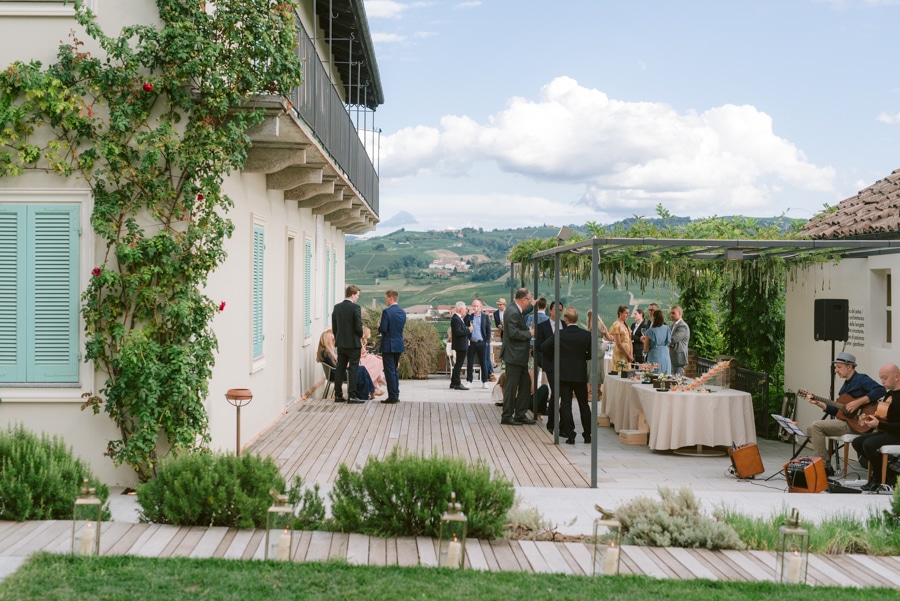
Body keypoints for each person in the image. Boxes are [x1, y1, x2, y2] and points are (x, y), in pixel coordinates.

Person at [805, 352, 886, 477]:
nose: (836, 370)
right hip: (847, 421)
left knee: (816, 426)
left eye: (839, 367)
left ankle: (823, 466)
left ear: (849, 367)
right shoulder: (844, 388)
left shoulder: (861, 379)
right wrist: (818, 403)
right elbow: (837, 411)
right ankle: (825, 460)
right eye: (835, 367)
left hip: (859, 423)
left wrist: (859, 402)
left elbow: (880, 390)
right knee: (810, 429)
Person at [540, 307, 592, 445]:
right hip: (580, 374)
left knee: (566, 405)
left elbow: (544, 346)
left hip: (564, 374)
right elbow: (591, 354)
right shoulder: (586, 335)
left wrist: (556, 355)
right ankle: (587, 434)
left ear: (566, 319)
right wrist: (582, 357)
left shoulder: (560, 334)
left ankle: (570, 434)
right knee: (584, 405)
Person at [852, 363, 900, 490]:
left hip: (898, 434)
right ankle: (889, 474)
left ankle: (878, 478)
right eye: (881, 378)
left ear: (896, 377)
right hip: (889, 432)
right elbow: (885, 416)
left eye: (885, 378)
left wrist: (879, 424)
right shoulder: (889, 394)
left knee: (869, 444)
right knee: (857, 442)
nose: (882, 381)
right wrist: (872, 418)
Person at [500, 288, 536, 425]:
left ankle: (520, 414)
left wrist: (532, 305)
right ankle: (507, 415)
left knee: (525, 384)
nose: (528, 303)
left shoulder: (514, 309)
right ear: (524, 299)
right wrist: (529, 333)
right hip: (514, 356)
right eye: (528, 300)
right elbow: (513, 333)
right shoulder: (512, 312)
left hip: (518, 356)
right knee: (511, 386)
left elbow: (523, 312)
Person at [317, 329, 375, 401]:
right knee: (361, 370)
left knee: (361, 370)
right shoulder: (327, 352)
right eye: (332, 339)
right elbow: (336, 366)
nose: (334, 341)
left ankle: (367, 393)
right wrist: (345, 364)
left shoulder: (325, 351)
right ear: (327, 340)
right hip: (336, 373)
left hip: (335, 372)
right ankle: (368, 392)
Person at [332, 285, 364, 403]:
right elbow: (358, 326)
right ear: (352, 294)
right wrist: (361, 335)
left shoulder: (337, 307)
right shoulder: (356, 308)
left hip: (341, 343)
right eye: (357, 295)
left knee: (340, 368)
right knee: (353, 369)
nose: (358, 298)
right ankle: (352, 395)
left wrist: (338, 339)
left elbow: (335, 327)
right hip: (353, 344)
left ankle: (338, 395)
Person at [535, 301, 564, 426]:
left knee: (561, 393)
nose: (558, 312)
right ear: (550, 310)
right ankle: (552, 423)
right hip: (550, 363)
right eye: (556, 309)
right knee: (556, 391)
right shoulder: (542, 326)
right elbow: (538, 345)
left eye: (560, 310)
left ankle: (558, 422)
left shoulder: (565, 325)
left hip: (564, 364)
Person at [378, 289, 406, 404]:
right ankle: (396, 394)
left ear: (391, 298)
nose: (385, 300)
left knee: (389, 371)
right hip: (398, 344)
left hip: (388, 345)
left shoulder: (387, 312)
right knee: (394, 370)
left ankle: (393, 396)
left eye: (386, 298)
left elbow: (383, 329)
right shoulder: (402, 312)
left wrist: (379, 324)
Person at [464, 299, 492, 389]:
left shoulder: (484, 317)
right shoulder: (470, 316)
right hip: (472, 342)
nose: (475, 307)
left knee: (483, 362)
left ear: (480, 307)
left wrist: (487, 342)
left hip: (481, 342)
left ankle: (485, 381)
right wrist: (469, 313)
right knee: (470, 362)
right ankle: (469, 381)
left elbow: (488, 330)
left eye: (476, 306)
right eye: (473, 305)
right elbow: (464, 323)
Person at [359, 327, 386, 399]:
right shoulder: (359, 340)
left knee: (377, 360)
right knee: (377, 361)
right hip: (359, 359)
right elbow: (362, 353)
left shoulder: (362, 341)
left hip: (362, 358)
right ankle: (377, 382)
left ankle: (375, 385)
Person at [642, 310, 672, 374]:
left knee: (654, 375)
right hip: (665, 355)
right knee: (665, 375)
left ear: (654, 318)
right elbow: (668, 342)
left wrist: (644, 341)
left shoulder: (650, 331)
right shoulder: (667, 328)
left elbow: (646, 349)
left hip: (654, 355)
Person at [449, 301, 470, 390]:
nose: (466, 310)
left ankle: (453, 382)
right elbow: (458, 332)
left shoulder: (458, 318)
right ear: (461, 309)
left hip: (462, 344)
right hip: (460, 345)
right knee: (459, 364)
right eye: (465, 309)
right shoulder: (456, 319)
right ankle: (457, 383)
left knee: (458, 363)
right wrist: (468, 330)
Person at [668, 305, 690, 377]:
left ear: (680, 314)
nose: (671, 315)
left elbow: (673, 339)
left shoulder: (683, 326)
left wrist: (669, 342)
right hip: (671, 357)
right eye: (671, 313)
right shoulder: (671, 325)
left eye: (673, 313)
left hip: (678, 358)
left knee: (678, 380)